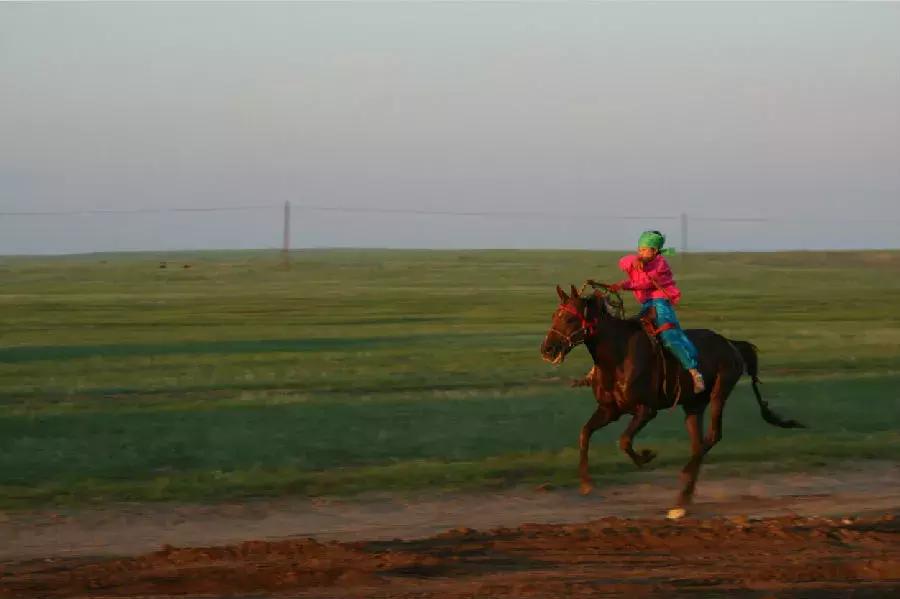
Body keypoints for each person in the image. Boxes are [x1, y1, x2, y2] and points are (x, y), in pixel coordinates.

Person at [607, 230, 705, 393]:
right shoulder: (639, 261)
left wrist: (623, 285)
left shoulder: (660, 264)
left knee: (668, 337)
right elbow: (623, 262)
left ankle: (694, 372)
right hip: (647, 305)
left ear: (655, 251)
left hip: (660, 303)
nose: (641, 252)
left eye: (645, 249)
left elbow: (644, 282)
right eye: (640, 249)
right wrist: (636, 260)